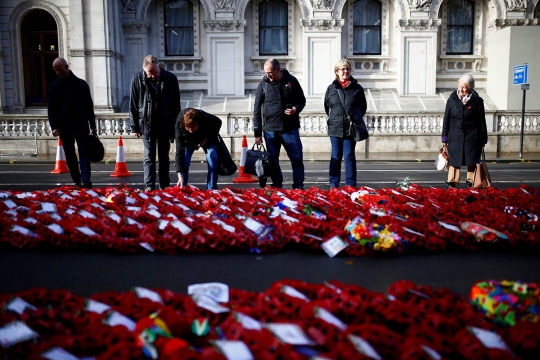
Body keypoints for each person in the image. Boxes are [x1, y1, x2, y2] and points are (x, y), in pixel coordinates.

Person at [129, 55, 181, 191]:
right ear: (144, 70)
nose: (152, 76)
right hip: (147, 124)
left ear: (160, 67)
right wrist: (134, 126)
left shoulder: (171, 78)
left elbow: (176, 104)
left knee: (164, 158)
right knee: (149, 157)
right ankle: (149, 186)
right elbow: (133, 104)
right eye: (149, 74)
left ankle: (165, 186)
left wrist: (177, 125)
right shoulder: (137, 79)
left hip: (165, 124)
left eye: (155, 73)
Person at [253, 59, 306, 189]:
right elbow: (256, 108)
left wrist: (296, 109)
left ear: (277, 69)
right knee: (273, 161)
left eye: (270, 72)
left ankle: (298, 187)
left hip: (290, 128)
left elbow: (301, 100)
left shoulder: (291, 81)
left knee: (297, 158)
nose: (267, 75)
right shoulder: (263, 84)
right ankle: (277, 186)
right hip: (270, 129)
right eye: (265, 73)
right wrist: (257, 133)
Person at [48, 57, 96, 189]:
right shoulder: (53, 86)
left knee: (84, 153)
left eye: (59, 69)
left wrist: (93, 125)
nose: (58, 73)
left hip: (81, 123)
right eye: (55, 71)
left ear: (67, 67)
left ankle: (85, 181)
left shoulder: (81, 84)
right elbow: (51, 109)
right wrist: (54, 127)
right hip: (64, 126)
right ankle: (77, 181)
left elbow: (89, 106)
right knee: (70, 156)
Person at [324, 59, 367, 188]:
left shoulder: (357, 88)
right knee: (335, 156)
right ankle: (334, 185)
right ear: (337, 72)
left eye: (347, 69)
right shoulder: (331, 88)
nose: (346, 71)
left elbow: (363, 107)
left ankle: (350, 186)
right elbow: (327, 107)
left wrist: (354, 118)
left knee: (349, 156)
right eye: (342, 69)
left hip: (350, 128)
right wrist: (335, 119)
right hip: (335, 127)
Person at [442, 74, 488, 188]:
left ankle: (471, 181)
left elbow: (482, 120)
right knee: (454, 159)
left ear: (470, 88)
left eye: (464, 87)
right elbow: (446, 119)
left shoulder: (477, 101)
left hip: (472, 135)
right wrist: (444, 137)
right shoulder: (451, 100)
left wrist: (483, 138)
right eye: (460, 86)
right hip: (455, 135)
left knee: (471, 159)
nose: (461, 89)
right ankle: (452, 181)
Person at [175, 108, 222, 189]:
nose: (190, 130)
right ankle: (183, 186)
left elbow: (218, 122)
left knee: (212, 157)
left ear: (198, 122)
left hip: (205, 137)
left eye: (192, 128)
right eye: (187, 128)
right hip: (188, 141)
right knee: (184, 159)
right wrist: (179, 174)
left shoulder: (204, 117)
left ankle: (212, 188)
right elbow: (179, 150)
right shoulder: (179, 125)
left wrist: (208, 137)